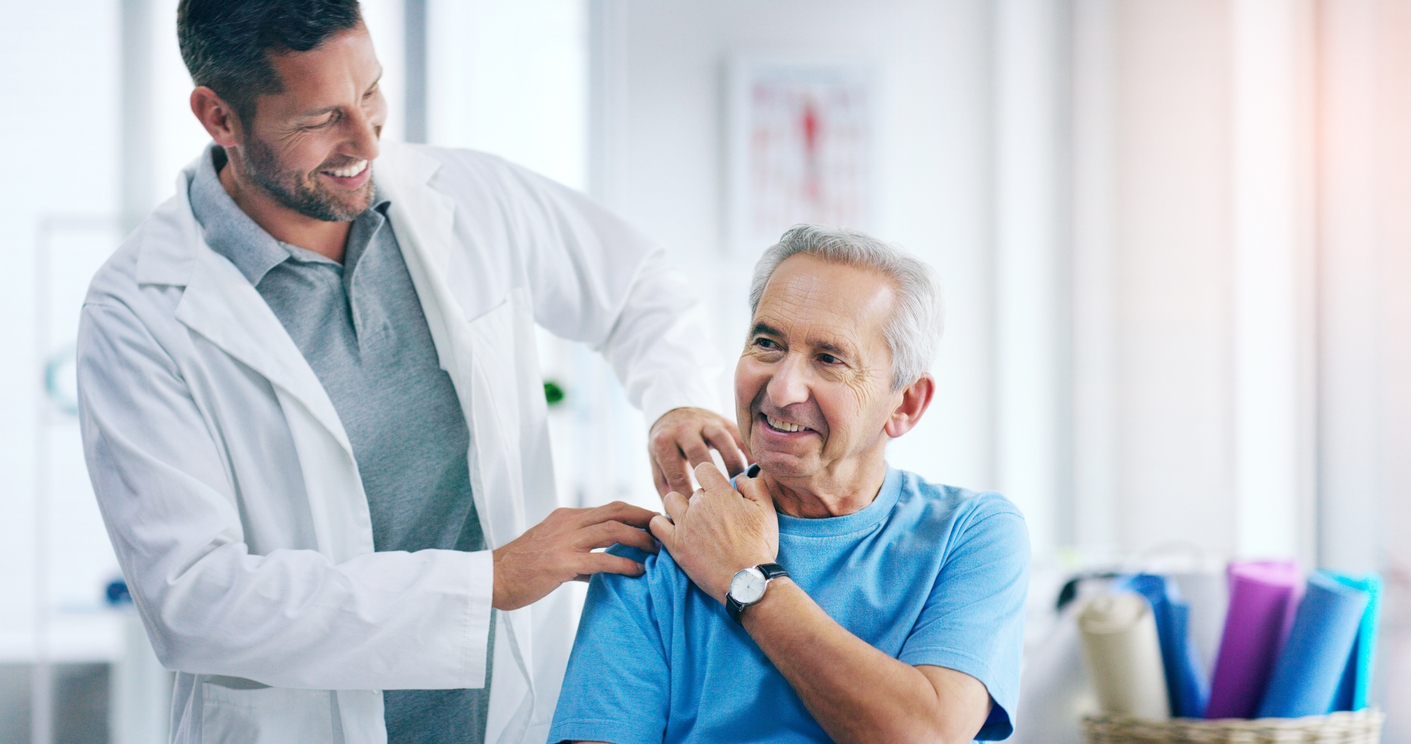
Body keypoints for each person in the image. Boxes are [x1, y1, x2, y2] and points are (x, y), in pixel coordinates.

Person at [75, 2, 747, 743]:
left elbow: (637, 288)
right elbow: (193, 601)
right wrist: (485, 583)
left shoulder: (464, 197)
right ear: (219, 117)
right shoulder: (138, 311)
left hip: (514, 715)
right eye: (318, 118)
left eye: (370, 92)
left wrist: (676, 403)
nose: (365, 139)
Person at [549, 225, 1031, 744]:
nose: (781, 390)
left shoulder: (971, 533)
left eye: (829, 358)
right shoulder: (653, 555)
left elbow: (926, 734)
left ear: (905, 404)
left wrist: (748, 579)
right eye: (767, 343)